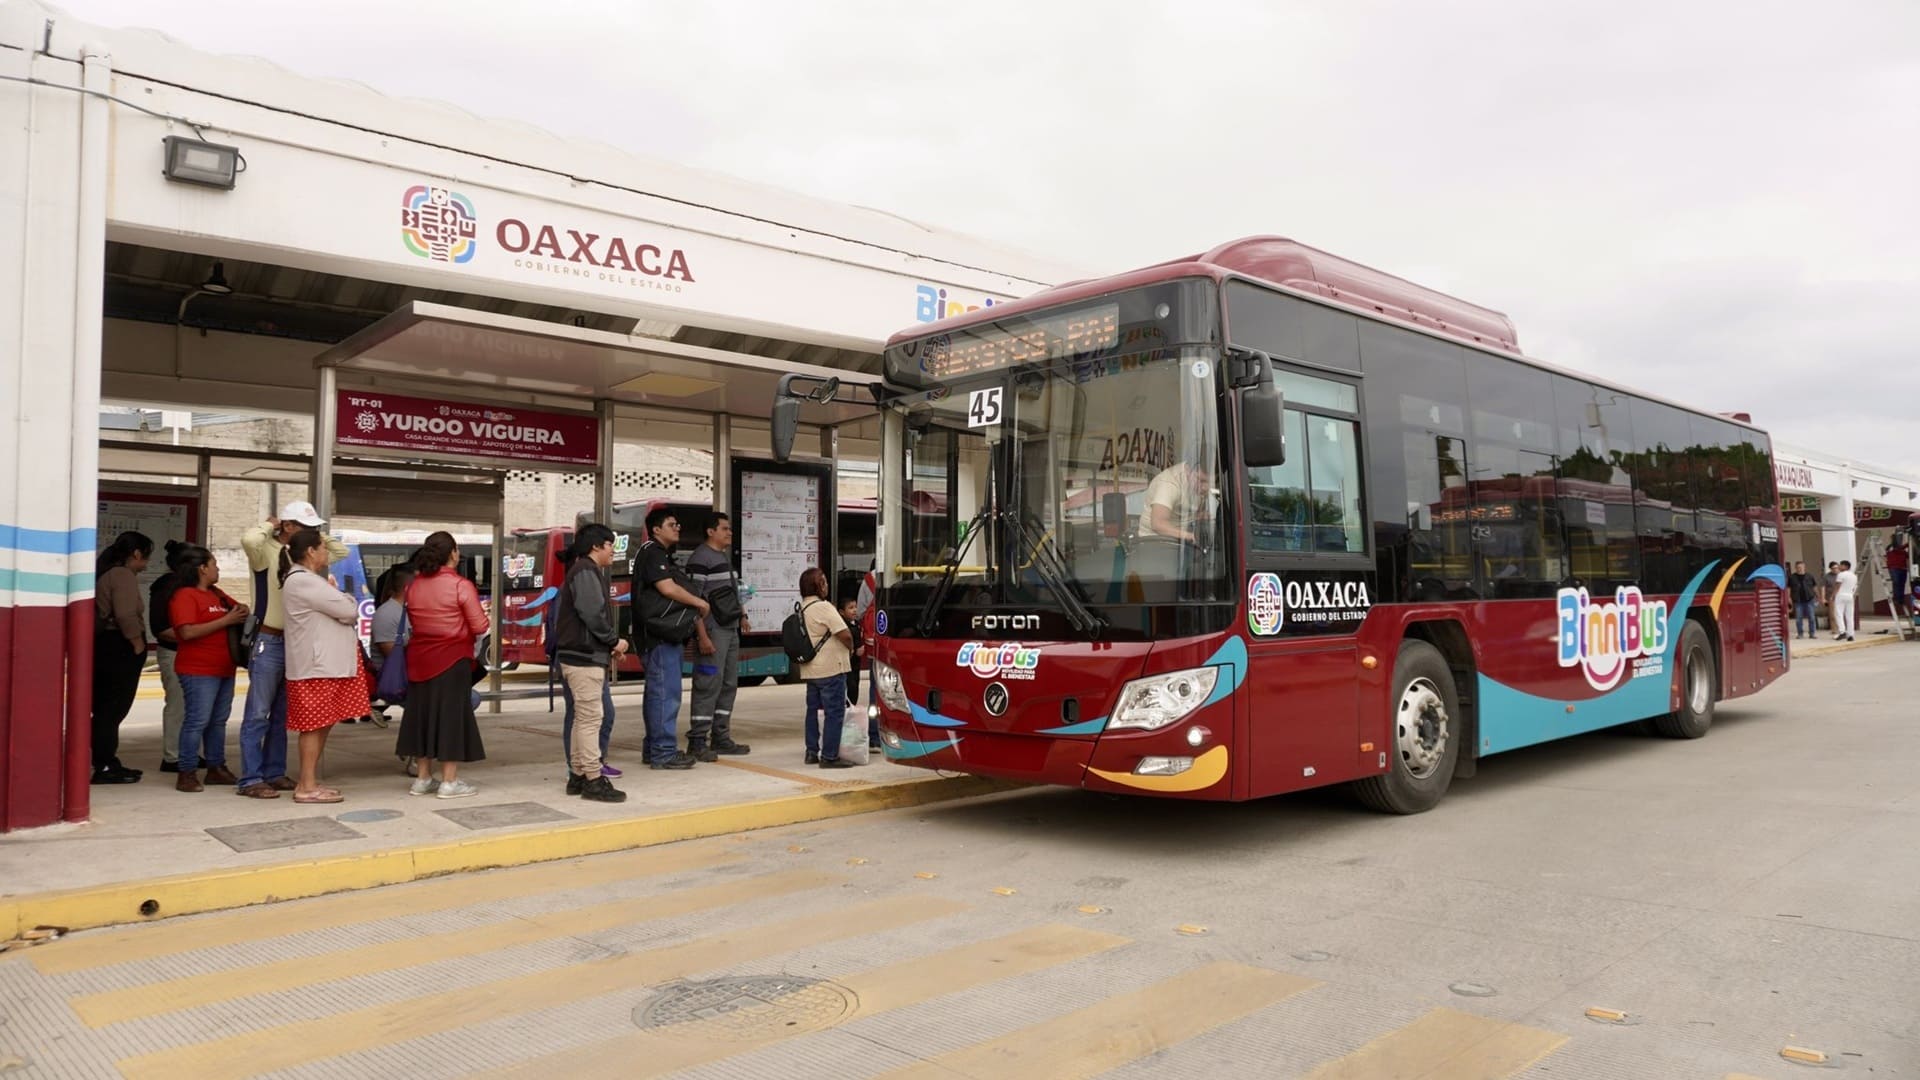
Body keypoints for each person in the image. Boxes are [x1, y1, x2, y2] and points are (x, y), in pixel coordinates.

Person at [239, 502, 348, 799]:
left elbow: (341, 552)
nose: (312, 533)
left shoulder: (299, 556)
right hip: (269, 639)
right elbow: (249, 540)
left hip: (295, 642)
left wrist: (315, 535)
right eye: (304, 526)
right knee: (258, 713)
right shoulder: (265, 552)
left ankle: (274, 773)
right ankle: (250, 778)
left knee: (281, 715)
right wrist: (269, 525)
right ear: (287, 526)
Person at [282, 528, 372, 804]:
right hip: (316, 666)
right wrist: (346, 599)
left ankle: (309, 782)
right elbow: (348, 610)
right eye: (322, 547)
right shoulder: (304, 582)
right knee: (313, 725)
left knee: (322, 724)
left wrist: (341, 600)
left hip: (325, 665)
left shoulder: (311, 581)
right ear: (310, 551)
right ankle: (306, 785)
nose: (327, 553)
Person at [395, 532, 488, 798]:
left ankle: (423, 778)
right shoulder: (460, 585)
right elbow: (480, 625)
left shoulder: (414, 586)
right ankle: (449, 781)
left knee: (421, 717)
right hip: (452, 658)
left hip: (419, 658)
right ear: (453, 553)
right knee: (450, 717)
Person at [552, 523, 629, 802]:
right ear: (596, 546)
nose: (613, 551)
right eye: (610, 545)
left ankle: (578, 776)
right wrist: (613, 641)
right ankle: (594, 780)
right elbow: (592, 614)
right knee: (590, 720)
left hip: (579, 655)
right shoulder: (586, 570)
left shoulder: (582, 569)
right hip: (584, 658)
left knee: (581, 719)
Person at [167, 545, 247, 793]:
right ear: (202, 568)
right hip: (197, 669)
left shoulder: (218, 594)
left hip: (224, 667)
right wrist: (225, 620)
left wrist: (240, 611)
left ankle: (216, 767)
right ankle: (187, 771)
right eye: (214, 564)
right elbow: (187, 631)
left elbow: (240, 609)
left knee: (218, 721)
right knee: (197, 720)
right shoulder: (185, 596)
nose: (218, 568)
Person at [636, 508, 709, 771]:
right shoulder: (653, 552)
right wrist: (699, 602)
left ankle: (654, 748)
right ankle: (664, 752)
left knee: (657, 694)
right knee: (666, 695)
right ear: (656, 529)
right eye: (671, 524)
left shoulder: (654, 553)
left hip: (655, 637)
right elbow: (667, 588)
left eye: (678, 523)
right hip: (660, 636)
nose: (677, 528)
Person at [685, 511, 751, 761]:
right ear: (710, 532)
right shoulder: (700, 559)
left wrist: (742, 615)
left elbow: (730, 592)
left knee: (728, 684)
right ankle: (698, 740)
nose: (729, 532)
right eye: (724, 528)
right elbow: (694, 600)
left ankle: (721, 736)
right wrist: (702, 636)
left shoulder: (721, 557)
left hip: (729, 629)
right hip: (712, 631)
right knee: (708, 683)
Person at [91, 531, 153, 784]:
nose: (147, 563)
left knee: (106, 708)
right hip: (119, 647)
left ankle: (106, 760)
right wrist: (138, 645)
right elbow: (126, 614)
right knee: (112, 709)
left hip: (106, 646)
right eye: (146, 557)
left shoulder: (108, 572)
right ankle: (104, 764)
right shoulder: (122, 575)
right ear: (137, 554)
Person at [795, 567, 855, 769]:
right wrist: (852, 648)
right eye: (825, 581)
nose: (827, 585)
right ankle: (829, 756)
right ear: (818, 585)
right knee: (834, 712)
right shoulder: (824, 607)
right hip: (831, 669)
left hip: (812, 671)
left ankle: (811, 752)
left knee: (812, 711)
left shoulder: (802, 607)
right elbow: (844, 633)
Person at [149, 540, 190, 773]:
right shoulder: (167, 587)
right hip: (173, 653)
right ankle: (172, 756)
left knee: (191, 708)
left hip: (185, 653)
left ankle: (188, 752)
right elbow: (161, 627)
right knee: (177, 705)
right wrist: (194, 635)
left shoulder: (186, 587)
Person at [1136, 455, 1212, 544]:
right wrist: (1191, 536)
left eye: (1210, 482)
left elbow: (1188, 511)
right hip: (1154, 541)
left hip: (1181, 540)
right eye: (1201, 480)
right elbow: (1158, 524)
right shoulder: (1169, 483)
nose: (1205, 488)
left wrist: (1198, 516)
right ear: (1188, 470)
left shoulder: (1197, 486)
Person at [1786, 561, 1819, 640]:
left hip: (1809, 599)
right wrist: (1788, 598)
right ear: (1795, 568)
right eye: (1798, 567)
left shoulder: (1810, 576)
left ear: (1804, 567)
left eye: (1801, 567)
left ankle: (1812, 633)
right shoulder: (1792, 577)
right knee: (1798, 618)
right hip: (1798, 601)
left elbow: (1814, 587)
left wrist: (1818, 596)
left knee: (1811, 617)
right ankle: (1800, 634)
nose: (1799, 569)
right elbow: (1788, 588)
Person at [1832, 559, 1858, 642]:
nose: (1839, 566)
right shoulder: (1854, 576)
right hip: (1850, 595)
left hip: (1841, 595)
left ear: (1846, 566)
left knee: (1838, 614)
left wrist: (1833, 595)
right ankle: (1850, 634)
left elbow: (1837, 585)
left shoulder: (1841, 575)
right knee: (1849, 616)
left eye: (1841, 565)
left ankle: (1842, 631)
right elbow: (1854, 587)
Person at [1887, 533, 1910, 619]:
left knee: (1902, 583)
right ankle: (1896, 598)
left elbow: (1907, 555)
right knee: (1896, 582)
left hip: (1903, 568)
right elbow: (1897, 549)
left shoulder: (1903, 551)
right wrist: (1908, 543)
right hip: (1894, 568)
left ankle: (1900, 598)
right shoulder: (1890, 547)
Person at [1823, 561, 1840, 635]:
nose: (1835, 570)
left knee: (1840, 614)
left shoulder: (1841, 575)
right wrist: (1823, 598)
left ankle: (1841, 628)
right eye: (1833, 568)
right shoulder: (1827, 576)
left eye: (1836, 568)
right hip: (1831, 597)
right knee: (1832, 614)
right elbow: (1823, 587)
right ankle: (1834, 629)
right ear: (1830, 569)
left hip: (1840, 597)